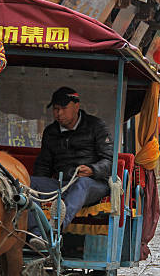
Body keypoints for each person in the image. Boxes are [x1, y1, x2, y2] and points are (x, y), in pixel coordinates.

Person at [29, 87, 113, 245]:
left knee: (81, 184)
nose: (58, 114)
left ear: (76, 106)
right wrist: (38, 186)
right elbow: (44, 164)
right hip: (62, 183)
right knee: (29, 183)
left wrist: (92, 170)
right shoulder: (50, 132)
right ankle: (37, 234)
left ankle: (54, 231)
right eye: (55, 109)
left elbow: (109, 161)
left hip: (93, 184)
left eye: (63, 108)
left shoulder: (96, 126)